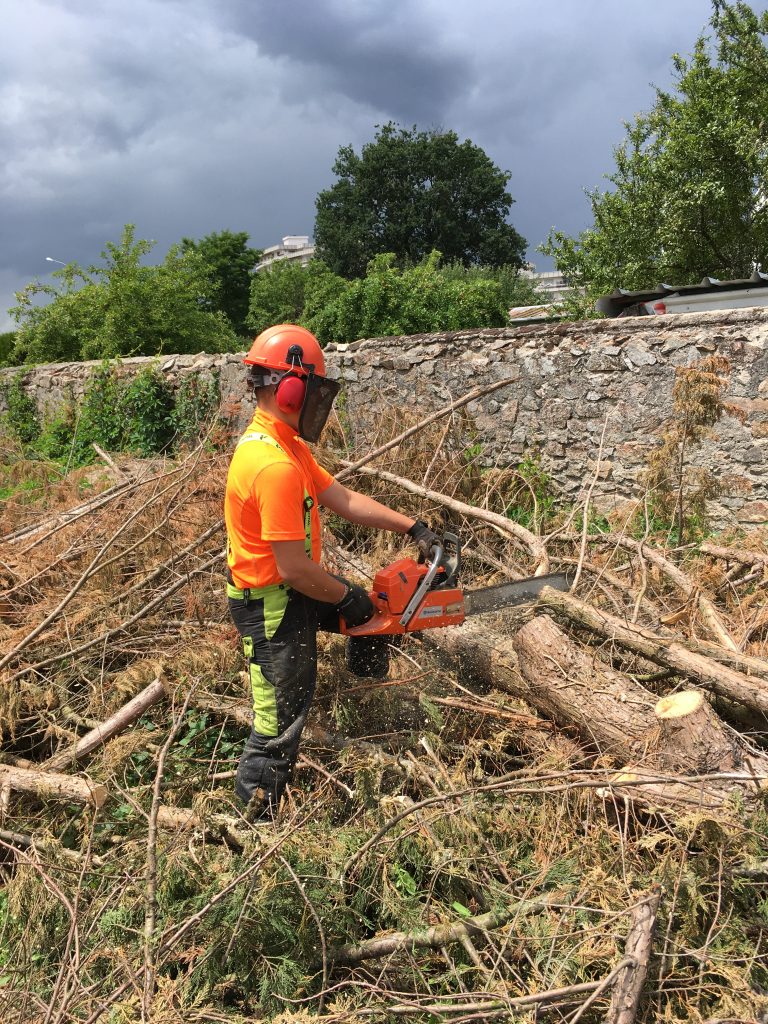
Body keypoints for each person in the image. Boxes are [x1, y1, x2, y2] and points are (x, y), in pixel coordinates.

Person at [224, 324, 437, 821]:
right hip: (273, 603)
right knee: (277, 721)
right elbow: (295, 568)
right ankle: (249, 827)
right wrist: (345, 597)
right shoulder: (270, 464)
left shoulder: (286, 446)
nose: (318, 401)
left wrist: (415, 527)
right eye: (314, 389)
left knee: (374, 610)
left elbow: (342, 499)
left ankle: (365, 691)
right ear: (293, 388)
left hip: (288, 590)